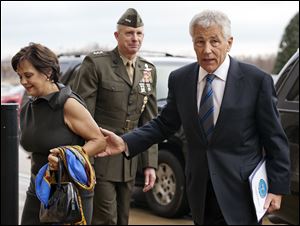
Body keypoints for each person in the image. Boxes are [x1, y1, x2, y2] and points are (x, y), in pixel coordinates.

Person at [97, 10, 291, 225]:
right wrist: (125, 142)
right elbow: (164, 124)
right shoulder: (181, 79)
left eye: (214, 41)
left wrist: (277, 187)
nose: (206, 50)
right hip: (200, 191)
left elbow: (275, 138)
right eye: (199, 42)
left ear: (229, 42)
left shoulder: (257, 81)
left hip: (242, 192)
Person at [71, 8, 158, 225]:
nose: (134, 38)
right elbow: (83, 115)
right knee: (105, 218)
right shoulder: (97, 64)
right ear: (117, 36)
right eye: (129, 33)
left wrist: (150, 165)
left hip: (129, 159)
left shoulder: (148, 70)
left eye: (139, 33)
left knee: (123, 218)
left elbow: (150, 122)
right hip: (101, 157)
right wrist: (85, 159)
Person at [11, 42, 107, 225]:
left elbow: (99, 141)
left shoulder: (68, 104)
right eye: (20, 76)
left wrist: (66, 157)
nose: (23, 81)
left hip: (69, 193)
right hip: (38, 189)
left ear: (47, 72)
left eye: (28, 75)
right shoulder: (29, 105)